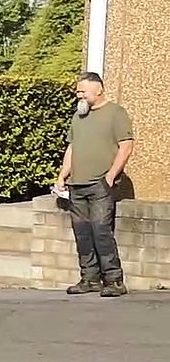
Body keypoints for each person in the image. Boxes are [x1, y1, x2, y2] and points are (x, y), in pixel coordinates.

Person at [55, 71, 135, 297]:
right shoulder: (78, 117)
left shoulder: (115, 114)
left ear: (98, 90)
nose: (78, 94)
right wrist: (63, 175)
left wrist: (110, 176)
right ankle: (89, 278)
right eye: (78, 91)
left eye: (82, 91)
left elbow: (126, 146)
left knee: (101, 230)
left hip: (101, 184)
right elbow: (72, 148)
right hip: (76, 185)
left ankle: (114, 280)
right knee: (82, 232)